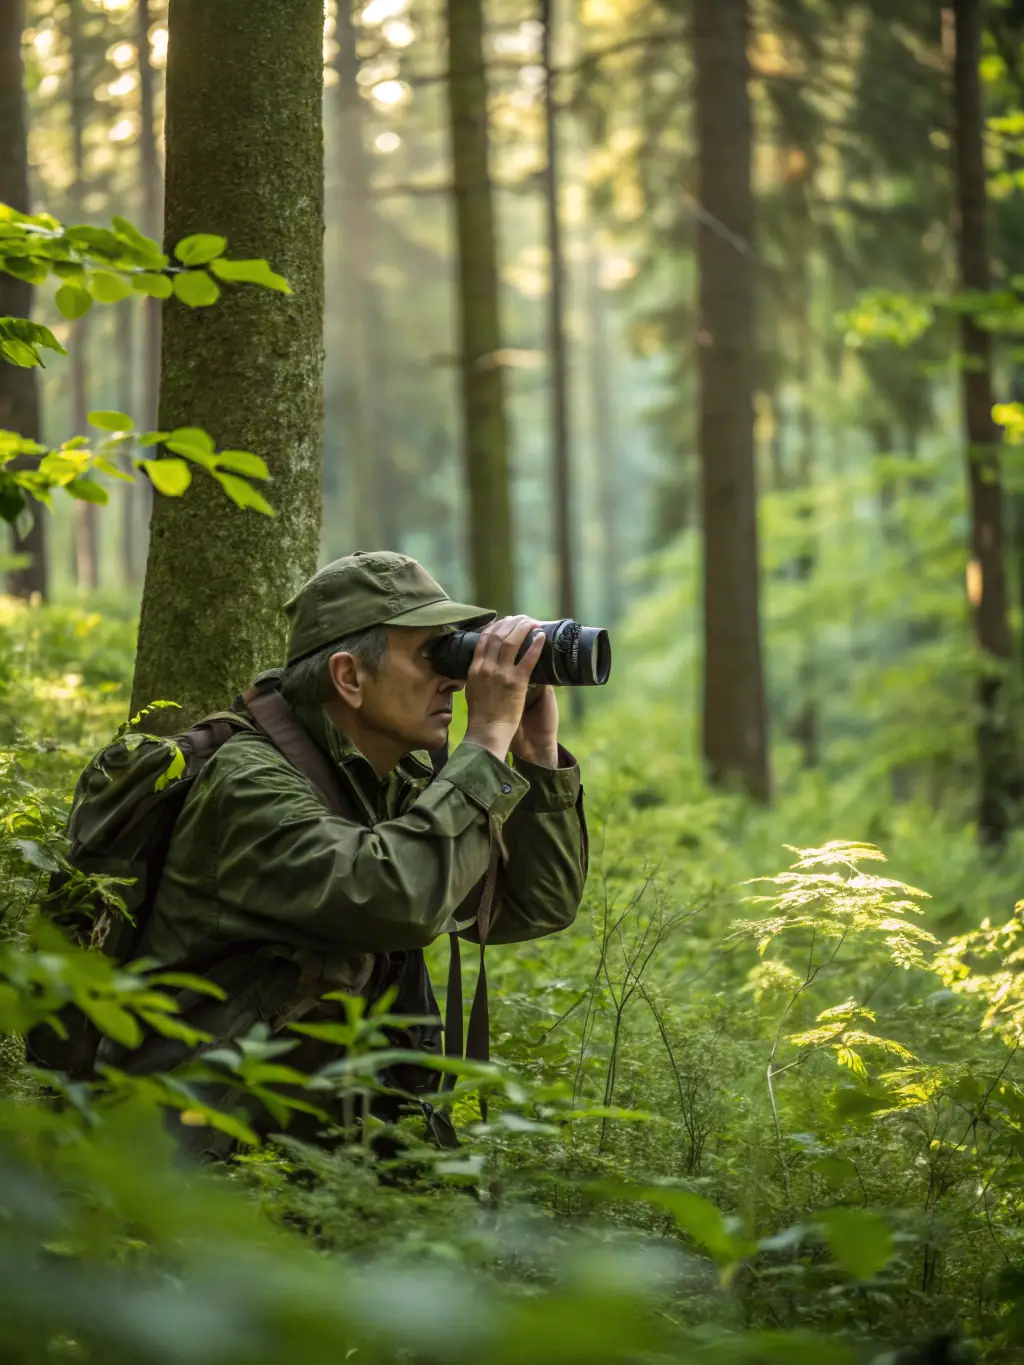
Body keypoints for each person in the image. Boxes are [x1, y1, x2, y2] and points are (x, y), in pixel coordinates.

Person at [119, 550, 588, 1154]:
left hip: (327, 1141)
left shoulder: (385, 785)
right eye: (433, 656)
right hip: (206, 1152)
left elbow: (534, 904)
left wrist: (535, 751)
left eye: (458, 651)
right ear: (349, 677)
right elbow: (396, 898)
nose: (455, 676)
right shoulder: (250, 785)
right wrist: (486, 739)